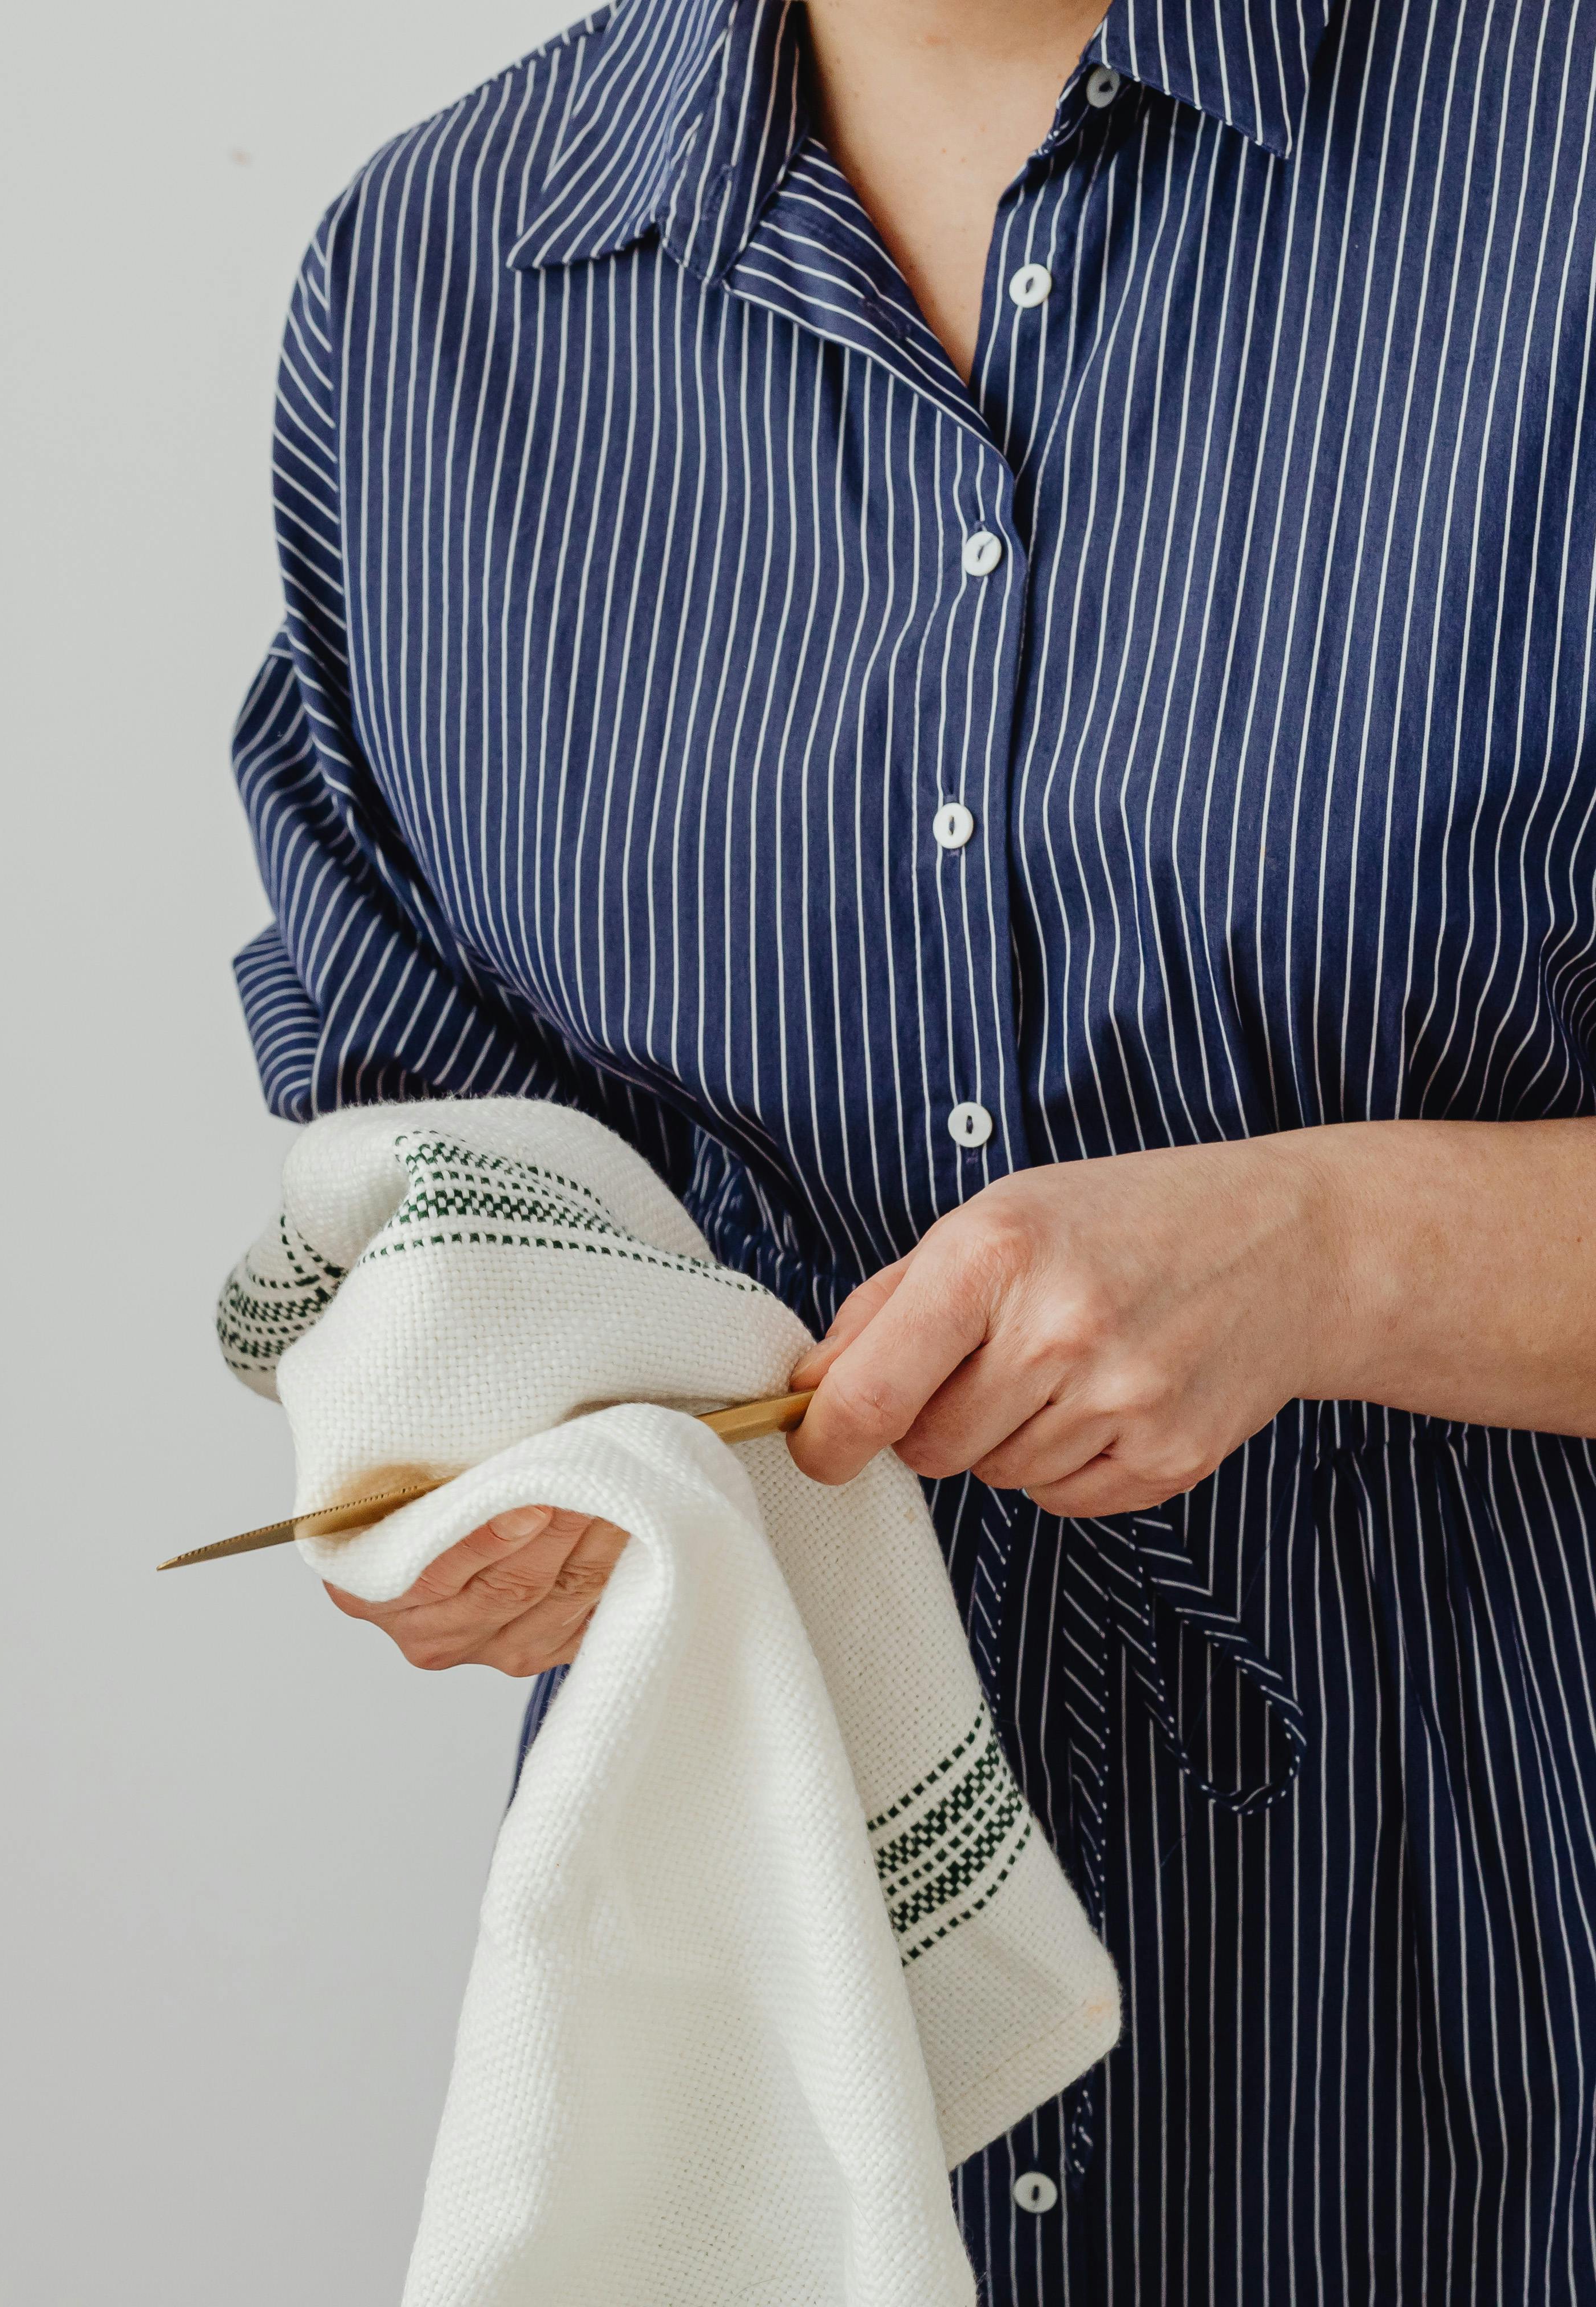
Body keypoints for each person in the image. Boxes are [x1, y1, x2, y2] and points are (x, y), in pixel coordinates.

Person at [235, 0, 1596, 2292]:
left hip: (1504, 2092)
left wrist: (1349, 1252)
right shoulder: (435, 294)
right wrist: (464, 1457)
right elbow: (428, 1187)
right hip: (778, 2127)